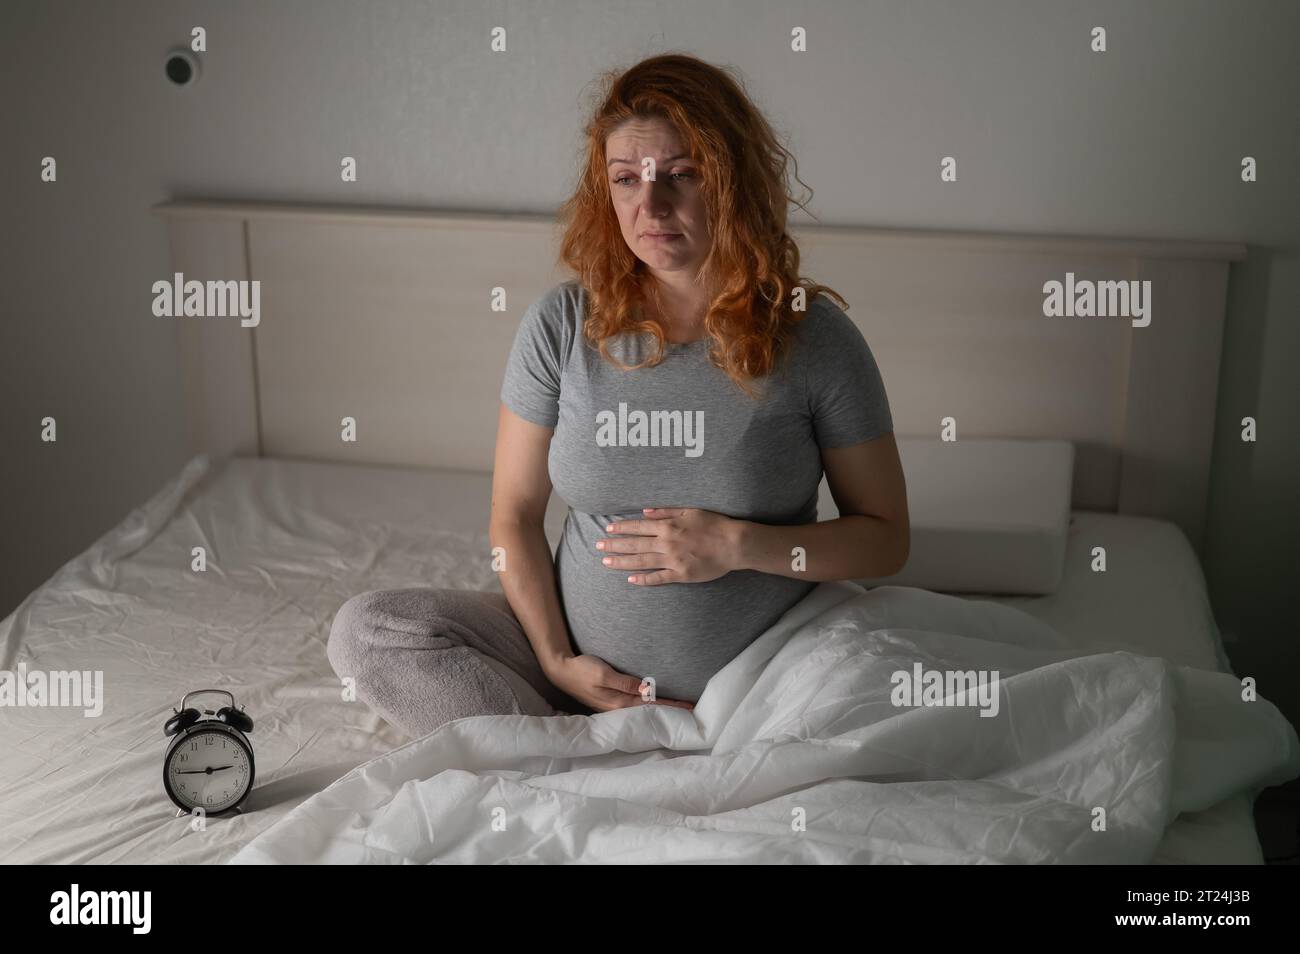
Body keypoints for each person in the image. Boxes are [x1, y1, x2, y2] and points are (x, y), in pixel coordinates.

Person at [327, 53, 909, 740]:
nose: (649, 206)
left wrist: (738, 545)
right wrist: (557, 657)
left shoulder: (813, 338)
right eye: (626, 179)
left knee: (871, 715)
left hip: (764, 680)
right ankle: (580, 741)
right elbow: (513, 515)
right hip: (577, 678)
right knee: (367, 633)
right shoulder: (562, 326)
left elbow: (885, 539)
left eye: (681, 174)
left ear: (733, 182)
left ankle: (566, 757)